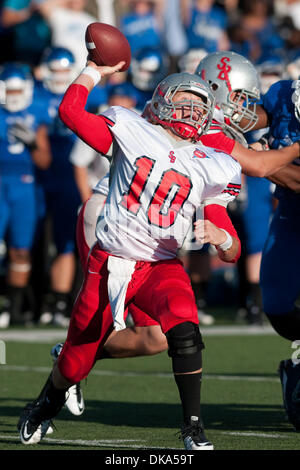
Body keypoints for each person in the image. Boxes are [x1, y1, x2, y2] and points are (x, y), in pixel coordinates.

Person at [18, 63, 244, 450]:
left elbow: (233, 251)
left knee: (185, 327)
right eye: (184, 101)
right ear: (160, 103)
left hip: (161, 264)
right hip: (110, 262)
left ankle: (192, 426)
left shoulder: (213, 164)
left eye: (198, 104)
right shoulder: (131, 130)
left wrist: (221, 237)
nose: (191, 109)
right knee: (75, 360)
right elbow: (71, 113)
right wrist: (92, 70)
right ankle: (44, 405)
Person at [0, 63, 51, 328]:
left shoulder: (36, 113)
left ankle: (14, 309)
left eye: (18, 89)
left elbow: (44, 161)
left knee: (21, 250)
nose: (13, 95)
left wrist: (32, 142)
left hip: (25, 186)